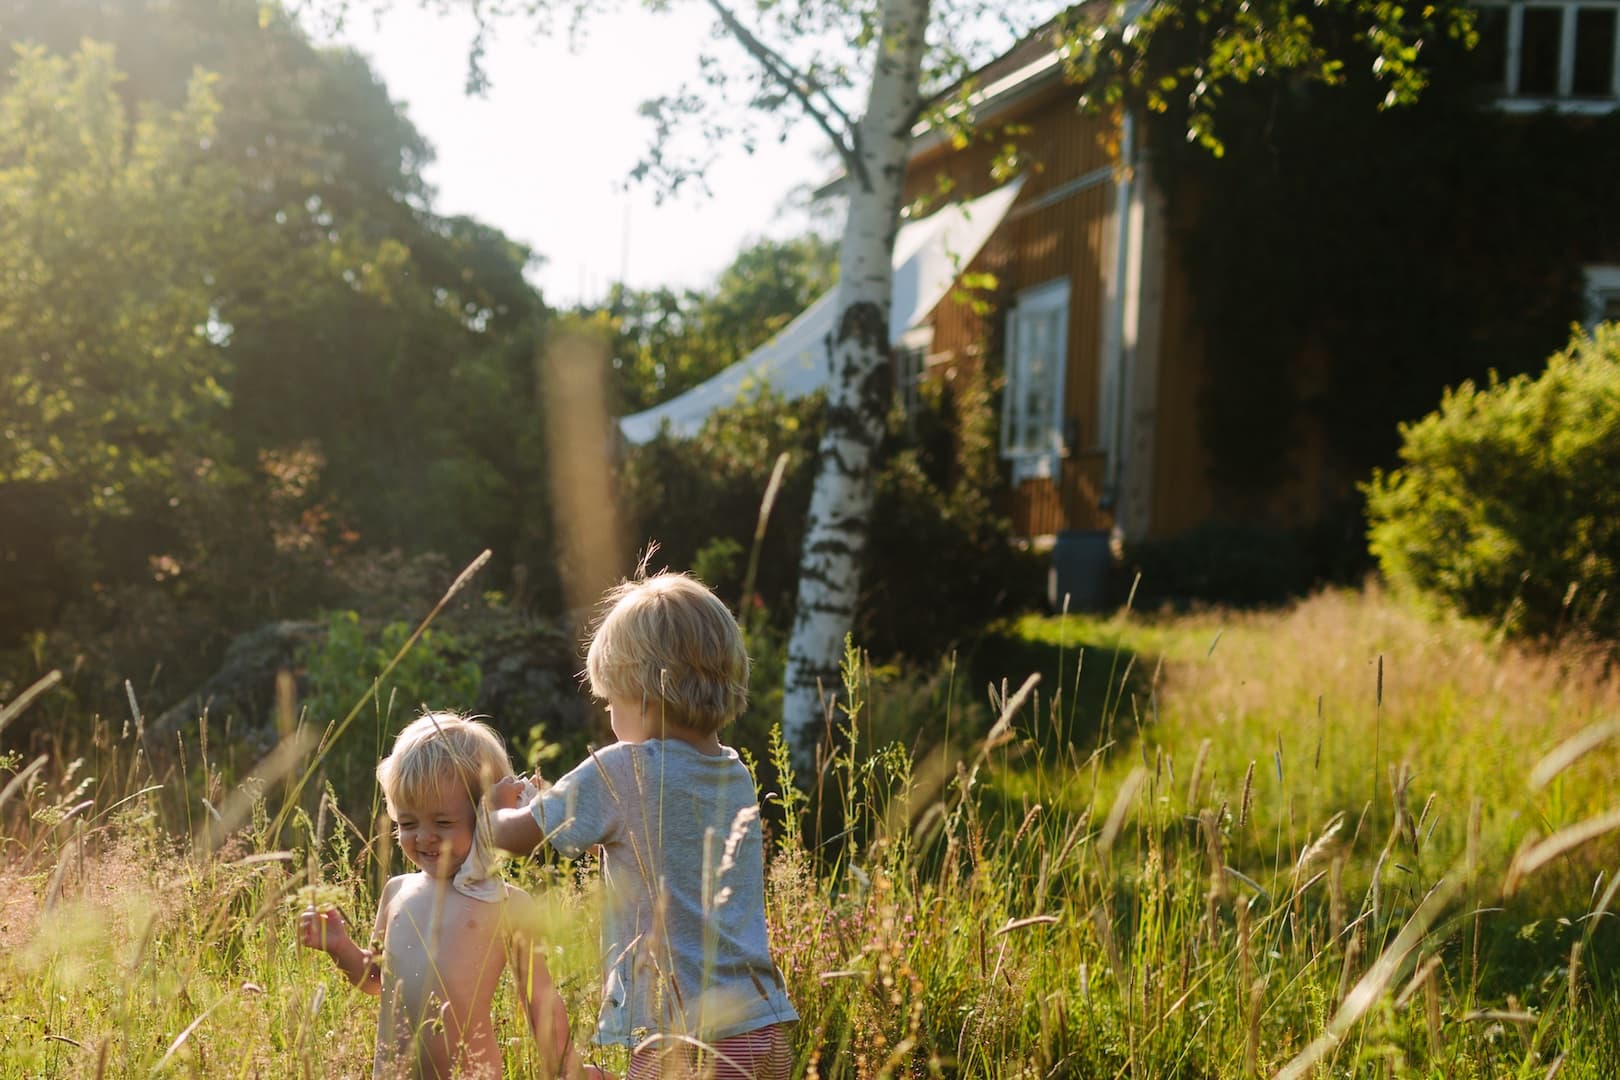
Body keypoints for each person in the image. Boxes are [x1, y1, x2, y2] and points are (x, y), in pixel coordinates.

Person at [489, 572, 798, 1080]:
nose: (609, 713)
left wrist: (485, 809)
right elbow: (654, 845)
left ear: (643, 694)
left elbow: (520, 836)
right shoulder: (733, 771)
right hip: (764, 1031)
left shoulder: (622, 766)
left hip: (683, 1039)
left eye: (610, 701)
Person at [297, 711, 579, 1079]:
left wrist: (564, 1070)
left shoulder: (507, 905)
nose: (423, 837)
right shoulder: (397, 891)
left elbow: (540, 1001)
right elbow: (378, 982)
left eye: (443, 823)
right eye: (407, 823)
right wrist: (340, 947)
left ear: (485, 817)